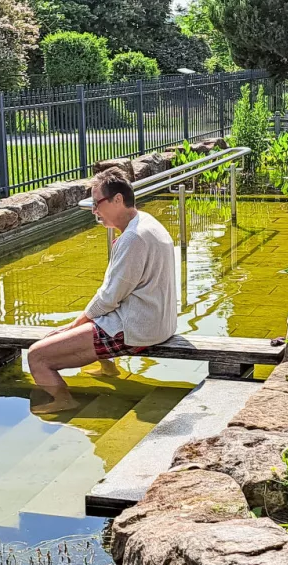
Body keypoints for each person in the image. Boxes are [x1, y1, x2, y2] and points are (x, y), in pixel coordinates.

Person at [26, 170, 177, 413]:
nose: (94, 210)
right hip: (159, 321)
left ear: (118, 199)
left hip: (138, 329)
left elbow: (110, 297)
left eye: (97, 203)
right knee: (93, 318)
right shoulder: (147, 221)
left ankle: (63, 400)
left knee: (37, 356)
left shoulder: (133, 238)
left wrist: (75, 324)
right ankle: (108, 368)